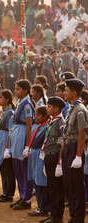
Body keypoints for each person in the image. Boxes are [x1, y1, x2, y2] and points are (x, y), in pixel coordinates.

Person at [61, 79, 88, 223]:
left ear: (74, 92)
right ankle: (73, 215)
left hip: (75, 148)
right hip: (68, 148)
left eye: (66, 90)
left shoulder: (80, 110)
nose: (64, 92)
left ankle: (78, 217)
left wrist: (78, 155)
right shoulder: (71, 108)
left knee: (76, 184)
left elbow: (82, 133)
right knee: (69, 183)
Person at [9, 80, 34, 211]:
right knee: (17, 168)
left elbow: (29, 125)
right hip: (17, 133)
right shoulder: (20, 102)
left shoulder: (27, 104)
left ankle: (27, 198)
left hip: (23, 134)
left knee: (24, 169)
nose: (16, 91)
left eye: (18, 89)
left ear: (25, 90)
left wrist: (27, 146)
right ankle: (22, 195)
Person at [42, 96, 67, 223]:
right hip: (49, 156)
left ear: (57, 108)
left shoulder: (61, 123)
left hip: (55, 157)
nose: (47, 108)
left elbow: (62, 143)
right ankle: (53, 214)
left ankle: (57, 216)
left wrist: (59, 162)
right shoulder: (53, 121)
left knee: (57, 188)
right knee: (51, 187)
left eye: (50, 106)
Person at [26, 106, 50, 217]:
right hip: (35, 156)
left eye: (38, 115)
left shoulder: (47, 127)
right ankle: (42, 206)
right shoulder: (40, 127)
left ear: (45, 116)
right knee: (37, 181)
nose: (35, 117)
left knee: (42, 182)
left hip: (41, 156)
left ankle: (43, 208)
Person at [0, 90, 16, 203]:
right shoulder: (1, 112)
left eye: (1, 97)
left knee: (8, 169)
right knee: (2, 168)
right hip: (0, 140)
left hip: (6, 141)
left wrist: (7, 148)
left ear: (7, 99)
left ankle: (9, 194)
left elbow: (10, 131)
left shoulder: (10, 113)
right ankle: (4, 192)